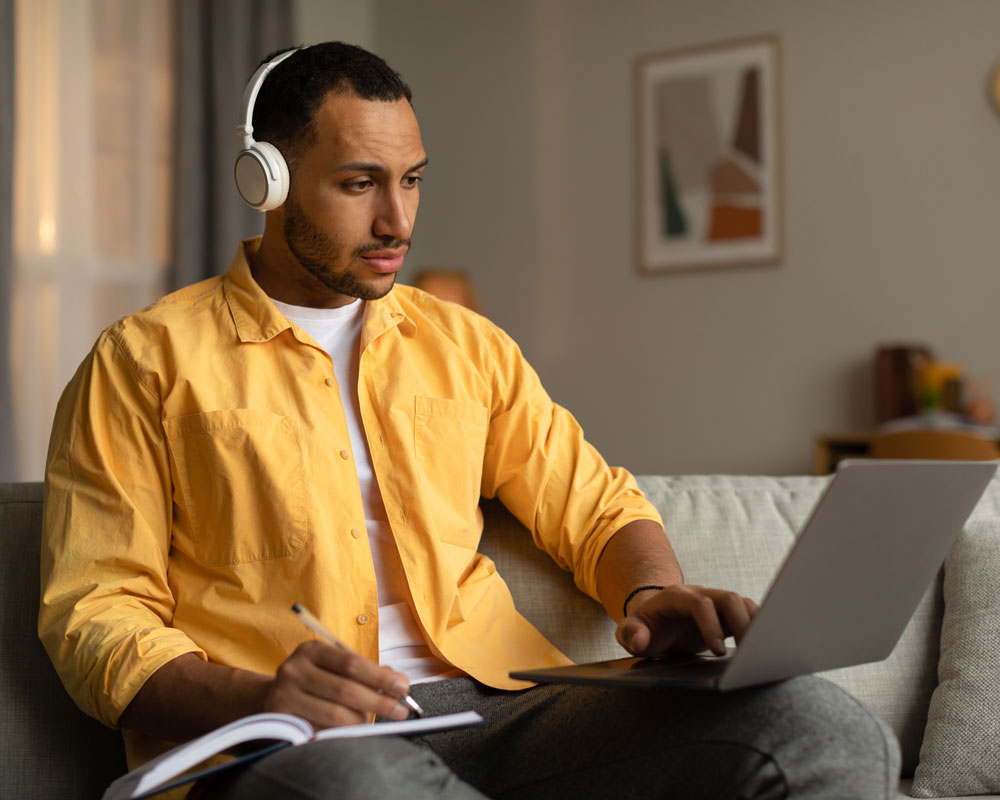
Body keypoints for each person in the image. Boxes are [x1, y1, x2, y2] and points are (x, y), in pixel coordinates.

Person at [40, 42, 899, 799]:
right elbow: (96, 612)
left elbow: (594, 504)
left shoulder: (464, 346)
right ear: (265, 180)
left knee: (816, 725)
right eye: (358, 184)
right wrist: (259, 697)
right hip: (288, 738)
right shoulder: (141, 360)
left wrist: (652, 590)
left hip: (495, 713)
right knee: (358, 781)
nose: (397, 221)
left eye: (411, 179)